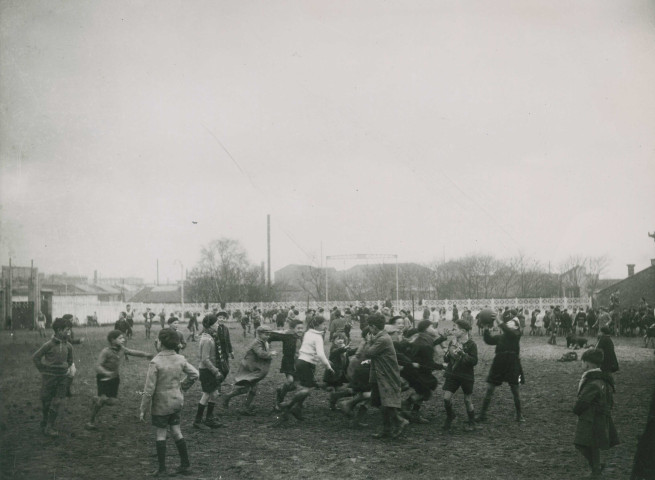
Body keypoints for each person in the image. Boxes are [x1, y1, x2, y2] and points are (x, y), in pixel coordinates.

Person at [140, 329, 199, 477]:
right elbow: (195, 374)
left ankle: (162, 469)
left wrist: (143, 408)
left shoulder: (155, 362)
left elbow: (149, 389)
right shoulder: (180, 358)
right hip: (176, 401)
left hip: (161, 404)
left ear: (160, 343)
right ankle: (185, 465)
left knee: (161, 433)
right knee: (176, 431)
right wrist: (182, 387)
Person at [85, 330, 153, 430]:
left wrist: (146, 354)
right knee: (102, 399)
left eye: (123, 338)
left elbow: (133, 352)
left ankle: (96, 399)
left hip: (115, 378)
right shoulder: (106, 351)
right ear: (112, 340)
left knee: (112, 402)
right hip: (103, 379)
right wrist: (106, 373)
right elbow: (97, 366)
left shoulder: (122, 349)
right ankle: (90, 421)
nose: (123, 339)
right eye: (120, 338)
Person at [277, 315, 334, 422]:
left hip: (301, 362)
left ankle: (296, 408)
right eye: (323, 324)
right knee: (306, 389)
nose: (325, 326)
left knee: (305, 387)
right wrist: (328, 366)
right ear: (317, 325)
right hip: (306, 364)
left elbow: (309, 350)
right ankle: (289, 404)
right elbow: (320, 354)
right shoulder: (317, 337)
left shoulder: (308, 333)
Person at [573, 348, 620, 478]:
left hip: (591, 418)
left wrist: (576, 410)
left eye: (582, 363)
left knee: (581, 443)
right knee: (593, 445)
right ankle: (596, 469)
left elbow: (583, 400)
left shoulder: (593, 382)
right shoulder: (604, 379)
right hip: (600, 416)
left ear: (588, 364)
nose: (581, 365)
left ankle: (596, 468)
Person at [363, 314, 409, 439]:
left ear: (373, 327)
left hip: (386, 374)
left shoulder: (383, 339)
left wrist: (367, 341)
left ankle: (399, 422)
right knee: (380, 402)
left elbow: (368, 353)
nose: (369, 330)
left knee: (386, 402)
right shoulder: (380, 336)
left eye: (370, 327)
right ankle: (387, 429)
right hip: (379, 374)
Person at [32, 317, 75, 437]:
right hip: (49, 378)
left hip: (62, 378)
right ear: (59, 330)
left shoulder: (69, 346)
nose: (69, 332)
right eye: (67, 330)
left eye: (70, 330)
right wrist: (43, 370)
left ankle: (50, 427)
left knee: (57, 402)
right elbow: (35, 357)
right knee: (46, 402)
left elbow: (70, 361)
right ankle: (45, 419)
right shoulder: (48, 345)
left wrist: (68, 370)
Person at [477, 317, 525, 423]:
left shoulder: (517, 334)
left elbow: (508, 331)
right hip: (498, 362)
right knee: (489, 388)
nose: (508, 325)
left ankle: (519, 414)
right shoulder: (501, 336)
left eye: (511, 323)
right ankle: (482, 415)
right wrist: (485, 329)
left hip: (513, 363)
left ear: (517, 327)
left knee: (515, 390)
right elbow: (489, 340)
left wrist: (499, 322)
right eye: (507, 323)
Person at [222, 325, 277, 415]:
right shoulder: (257, 342)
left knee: (253, 389)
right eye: (266, 334)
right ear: (259, 334)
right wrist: (270, 354)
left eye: (269, 334)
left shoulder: (263, 341)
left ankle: (245, 406)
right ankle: (228, 397)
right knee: (246, 388)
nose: (268, 336)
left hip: (255, 368)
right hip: (250, 368)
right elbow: (260, 354)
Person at [443, 320, 478, 431]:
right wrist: (448, 352)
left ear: (463, 331)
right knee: (446, 398)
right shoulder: (453, 342)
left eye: (455, 329)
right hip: (452, 374)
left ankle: (472, 423)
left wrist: (463, 354)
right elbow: (446, 359)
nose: (453, 331)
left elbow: (474, 361)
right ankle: (450, 416)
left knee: (467, 400)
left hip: (466, 376)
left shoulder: (471, 344)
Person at [193, 315, 225, 429]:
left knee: (214, 394)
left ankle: (209, 418)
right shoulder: (206, 339)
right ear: (210, 325)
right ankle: (197, 420)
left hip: (210, 369)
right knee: (207, 394)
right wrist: (215, 371)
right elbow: (205, 359)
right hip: (207, 370)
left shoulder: (210, 337)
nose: (218, 325)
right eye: (216, 323)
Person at [269, 319, 306, 411]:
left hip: (299, 362)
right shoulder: (287, 336)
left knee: (295, 385)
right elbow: (270, 336)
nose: (300, 330)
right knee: (290, 380)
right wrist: (267, 347)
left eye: (302, 328)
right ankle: (279, 401)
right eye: (298, 328)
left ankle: (281, 391)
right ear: (293, 329)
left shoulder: (303, 337)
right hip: (288, 361)